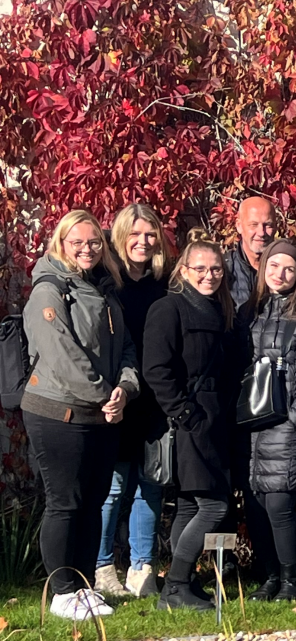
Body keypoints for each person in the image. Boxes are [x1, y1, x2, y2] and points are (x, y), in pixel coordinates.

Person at [21, 210, 139, 621]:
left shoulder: (105, 288)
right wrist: (105, 394)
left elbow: (125, 348)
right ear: (61, 243)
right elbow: (62, 355)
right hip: (58, 413)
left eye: (94, 242)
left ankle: (84, 587)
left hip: (100, 414)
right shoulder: (49, 290)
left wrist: (125, 388)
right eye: (78, 242)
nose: (87, 249)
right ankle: (62, 591)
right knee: (65, 502)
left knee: (91, 503)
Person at [236, 239, 296, 602]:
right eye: (274, 266)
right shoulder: (250, 310)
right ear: (263, 269)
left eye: (289, 268)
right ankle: (271, 577)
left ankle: (292, 580)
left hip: (290, 427)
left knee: (280, 505)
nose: (281, 274)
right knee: (259, 505)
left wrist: (295, 416)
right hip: (253, 426)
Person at [143, 239, 238, 611]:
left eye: (215, 269)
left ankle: (183, 586)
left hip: (217, 419)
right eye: (200, 268)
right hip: (190, 421)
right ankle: (177, 584)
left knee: (188, 506)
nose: (209, 275)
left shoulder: (221, 310)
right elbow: (156, 369)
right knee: (213, 506)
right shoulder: (169, 309)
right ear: (184, 270)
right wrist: (184, 414)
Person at [94, 203, 168, 601]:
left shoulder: (165, 282)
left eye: (150, 234)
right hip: (118, 394)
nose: (143, 241)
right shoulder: (107, 282)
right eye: (135, 234)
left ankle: (143, 568)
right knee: (114, 485)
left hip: (156, 397)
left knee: (150, 485)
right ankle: (102, 566)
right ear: (120, 237)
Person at [225, 194, 279, 310]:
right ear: (239, 226)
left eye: (267, 225)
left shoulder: (287, 272)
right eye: (253, 225)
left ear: (276, 227)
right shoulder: (223, 272)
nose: (261, 232)